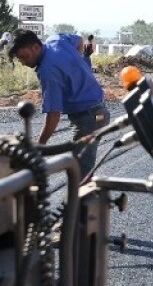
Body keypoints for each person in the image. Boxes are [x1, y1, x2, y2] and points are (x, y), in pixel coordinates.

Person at [8, 29, 111, 179]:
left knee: (79, 174)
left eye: (24, 57)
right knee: (82, 167)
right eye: (20, 60)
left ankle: (88, 199)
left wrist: (39, 146)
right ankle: (90, 196)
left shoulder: (47, 71)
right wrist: (77, 65)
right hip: (100, 114)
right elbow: (80, 41)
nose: (24, 63)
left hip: (89, 120)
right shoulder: (56, 40)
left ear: (36, 47)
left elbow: (53, 115)